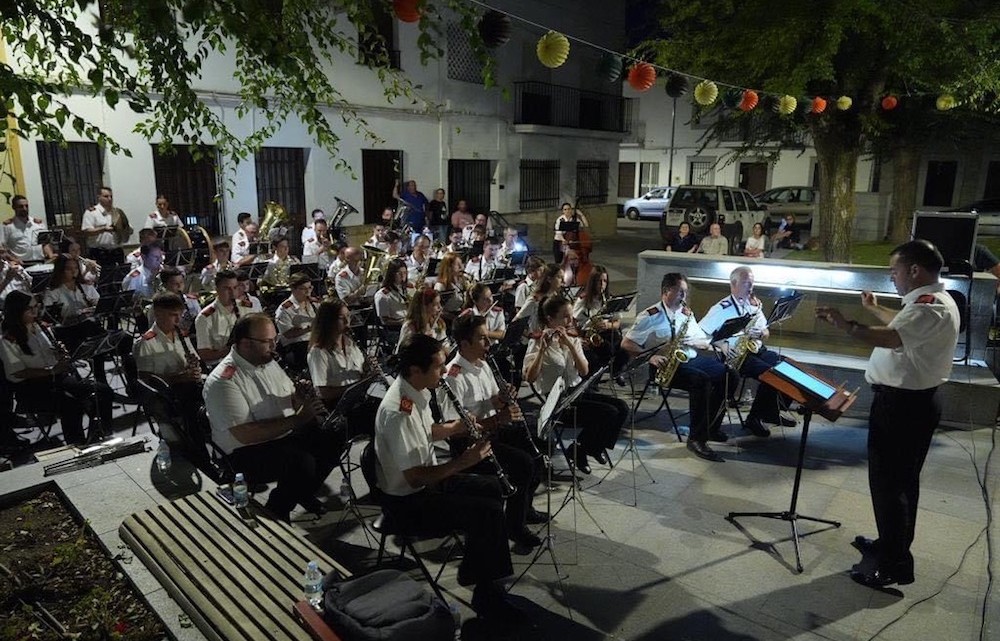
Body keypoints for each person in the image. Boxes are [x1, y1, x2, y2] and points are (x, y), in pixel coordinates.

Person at [816, 240, 959, 588]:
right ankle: (889, 545)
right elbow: (902, 325)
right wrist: (875, 308)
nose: (892, 277)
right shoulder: (935, 301)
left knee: (890, 486)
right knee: (898, 483)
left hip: (903, 407)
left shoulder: (928, 308)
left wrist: (845, 323)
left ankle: (894, 565)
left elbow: (894, 337)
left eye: (894, 271)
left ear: (914, 270)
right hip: (908, 403)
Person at [374, 332, 522, 620]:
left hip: (426, 483)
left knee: (493, 488)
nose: (445, 372)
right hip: (408, 501)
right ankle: (487, 596)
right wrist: (463, 461)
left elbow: (428, 431)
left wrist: (456, 427)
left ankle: (477, 571)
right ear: (416, 370)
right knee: (487, 512)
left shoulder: (415, 391)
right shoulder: (397, 411)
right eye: (439, 367)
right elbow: (415, 478)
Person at [203, 313, 342, 522]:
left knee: (335, 434)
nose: (274, 345)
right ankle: (278, 510)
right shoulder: (224, 381)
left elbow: (288, 400)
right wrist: (299, 419)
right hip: (243, 451)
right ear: (246, 344)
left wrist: (300, 398)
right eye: (268, 341)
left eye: (274, 339)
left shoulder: (267, 360)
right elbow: (245, 434)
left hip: (280, 435)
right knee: (301, 462)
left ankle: (299, 491)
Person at [438, 314, 544, 548]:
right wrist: (498, 419)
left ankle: (524, 508)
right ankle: (514, 527)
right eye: (483, 339)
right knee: (522, 464)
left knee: (539, 449)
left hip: (492, 429)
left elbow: (489, 402)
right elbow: (455, 430)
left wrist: (502, 399)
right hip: (470, 444)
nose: (490, 343)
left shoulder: (483, 363)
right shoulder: (452, 376)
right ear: (464, 344)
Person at [621, 273, 728, 462]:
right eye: (681, 292)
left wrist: (699, 342)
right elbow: (627, 343)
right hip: (664, 365)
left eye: (685, 293)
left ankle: (711, 427)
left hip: (689, 358)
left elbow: (701, 340)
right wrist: (650, 356)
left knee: (729, 374)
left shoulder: (685, 313)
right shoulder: (650, 315)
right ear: (666, 291)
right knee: (701, 381)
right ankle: (696, 438)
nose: (684, 297)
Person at [523, 296, 627, 473]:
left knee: (622, 407)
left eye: (571, 316)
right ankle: (583, 450)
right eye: (565, 317)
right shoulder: (537, 341)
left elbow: (584, 371)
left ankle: (586, 448)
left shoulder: (573, 338)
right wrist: (542, 350)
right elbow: (530, 378)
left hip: (577, 391)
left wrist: (570, 345)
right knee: (607, 413)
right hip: (557, 400)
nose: (570, 321)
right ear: (550, 319)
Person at [1, 290, 113, 444]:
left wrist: (61, 355)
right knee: (71, 405)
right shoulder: (8, 340)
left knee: (102, 391)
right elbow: (16, 373)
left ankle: (101, 431)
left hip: (58, 379)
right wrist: (52, 370)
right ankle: (77, 445)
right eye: (30, 308)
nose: (36, 311)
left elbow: (54, 358)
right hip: (33, 389)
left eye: (36, 306)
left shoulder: (42, 328)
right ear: (17, 311)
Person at [700, 266, 796, 438]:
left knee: (787, 366)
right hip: (737, 355)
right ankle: (754, 418)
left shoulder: (754, 305)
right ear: (733, 284)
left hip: (756, 349)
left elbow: (766, 332)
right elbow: (703, 334)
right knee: (771, 374)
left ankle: (771, 412)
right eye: (746, 283)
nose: (750, 287)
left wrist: (760, 333)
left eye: (752, 283)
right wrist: (722, 345)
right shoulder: (721, 308)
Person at [573, 265, 626, 374]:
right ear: (593, 282)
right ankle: (599, 375)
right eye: (599, 281)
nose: (602, 285)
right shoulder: (583, 300)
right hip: (589, 335)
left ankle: (615, 371)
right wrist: (579, 338)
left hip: (606, 332)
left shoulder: (609, 299)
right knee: (606, 350)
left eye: (605, 281)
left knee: (624, 350)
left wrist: (607, 325)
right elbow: (573, 321)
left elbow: (617, 322)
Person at [195, 269, 243, 367]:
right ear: (216, 289)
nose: (232, 293)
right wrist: (227, 351)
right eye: (227, 288)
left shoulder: (246, 308)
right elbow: (204, 354)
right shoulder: (204, 317)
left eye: (235, 287)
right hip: (221, 365)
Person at [273, 273, 317, 369]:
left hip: (315, 342)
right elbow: (288, 334)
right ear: (293, 289)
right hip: (297, 347)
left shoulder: (314, 303)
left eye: (310, 288)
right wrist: (309, 328)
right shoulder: (285, 309)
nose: (308, 292)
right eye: (303, 289)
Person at [43, 253, 100, 326]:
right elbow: (49, 317)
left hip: (88, 324)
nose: (74, 272)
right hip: (66, 328)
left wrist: (92, 308)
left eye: (76, 268)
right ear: (60, 271)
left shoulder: (85, 286)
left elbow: (98, 303)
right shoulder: (52, 292)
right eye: (69, 269)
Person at [81, 186, 130, 267]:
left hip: (116, 251)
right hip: (100, 253)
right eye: (106, 196)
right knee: (103, 278)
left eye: (111, 196)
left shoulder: (117, 212)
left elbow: (127, 228)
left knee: (120, 277)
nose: (109, 199)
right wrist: (103, 229)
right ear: (99, 197)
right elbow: (86, 231)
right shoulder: (92, 212)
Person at [0, 195, 54, 263]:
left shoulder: (38, 224)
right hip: (20, 265)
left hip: (41, 262)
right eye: (21, 206)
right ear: (14, 207)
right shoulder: (7, 226)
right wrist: (13, 259)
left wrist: (50, 254)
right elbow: (2, 248)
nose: (24, 208)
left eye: (26, 206)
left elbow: (45, 243)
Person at [374, 258, 409, 330]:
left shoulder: (406, 290)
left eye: (405, 273)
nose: (403, 276)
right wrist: (403, 322)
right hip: (394, 329)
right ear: (392, 274)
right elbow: (385, 321)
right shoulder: (383, 295)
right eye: (399, 273)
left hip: (406, 325)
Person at [433, 252, 466, 319]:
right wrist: (455, 318)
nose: (461, 267)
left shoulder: (461, 282)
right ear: (449, 267)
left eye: (461, 263)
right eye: (457, 265)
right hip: (448, 319)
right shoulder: (440, 286)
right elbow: (438, 310)